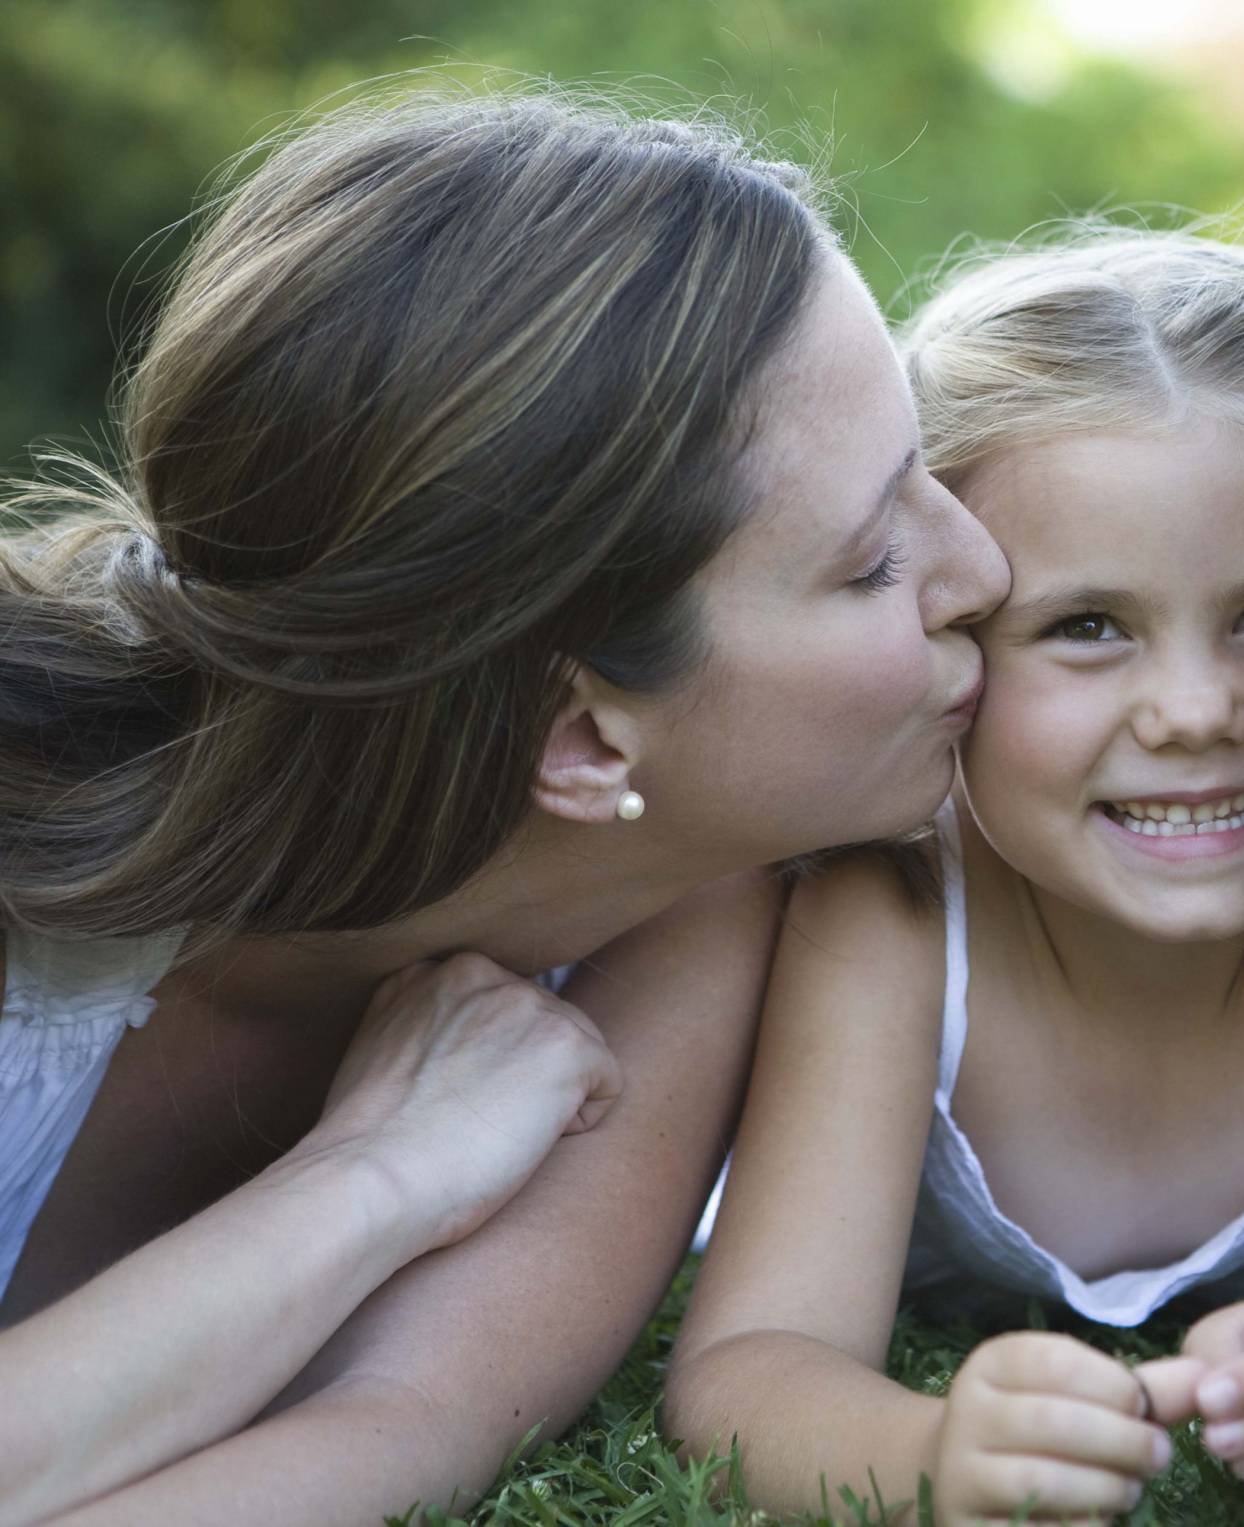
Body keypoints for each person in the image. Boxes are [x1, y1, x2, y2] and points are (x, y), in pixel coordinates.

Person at [0, 87, 1006, 1525]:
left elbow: (403, 1428)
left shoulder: (689, 901)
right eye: (871, 562)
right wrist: (382, 1171)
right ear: (582, 739)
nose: (983, 571)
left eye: (928, 475)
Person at [663, 232, 1244, 1523]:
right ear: (953, 643)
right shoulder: (891, 904)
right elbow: (748, 1371)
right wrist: (929, 1462)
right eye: (1085, 628)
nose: (1192, 711)